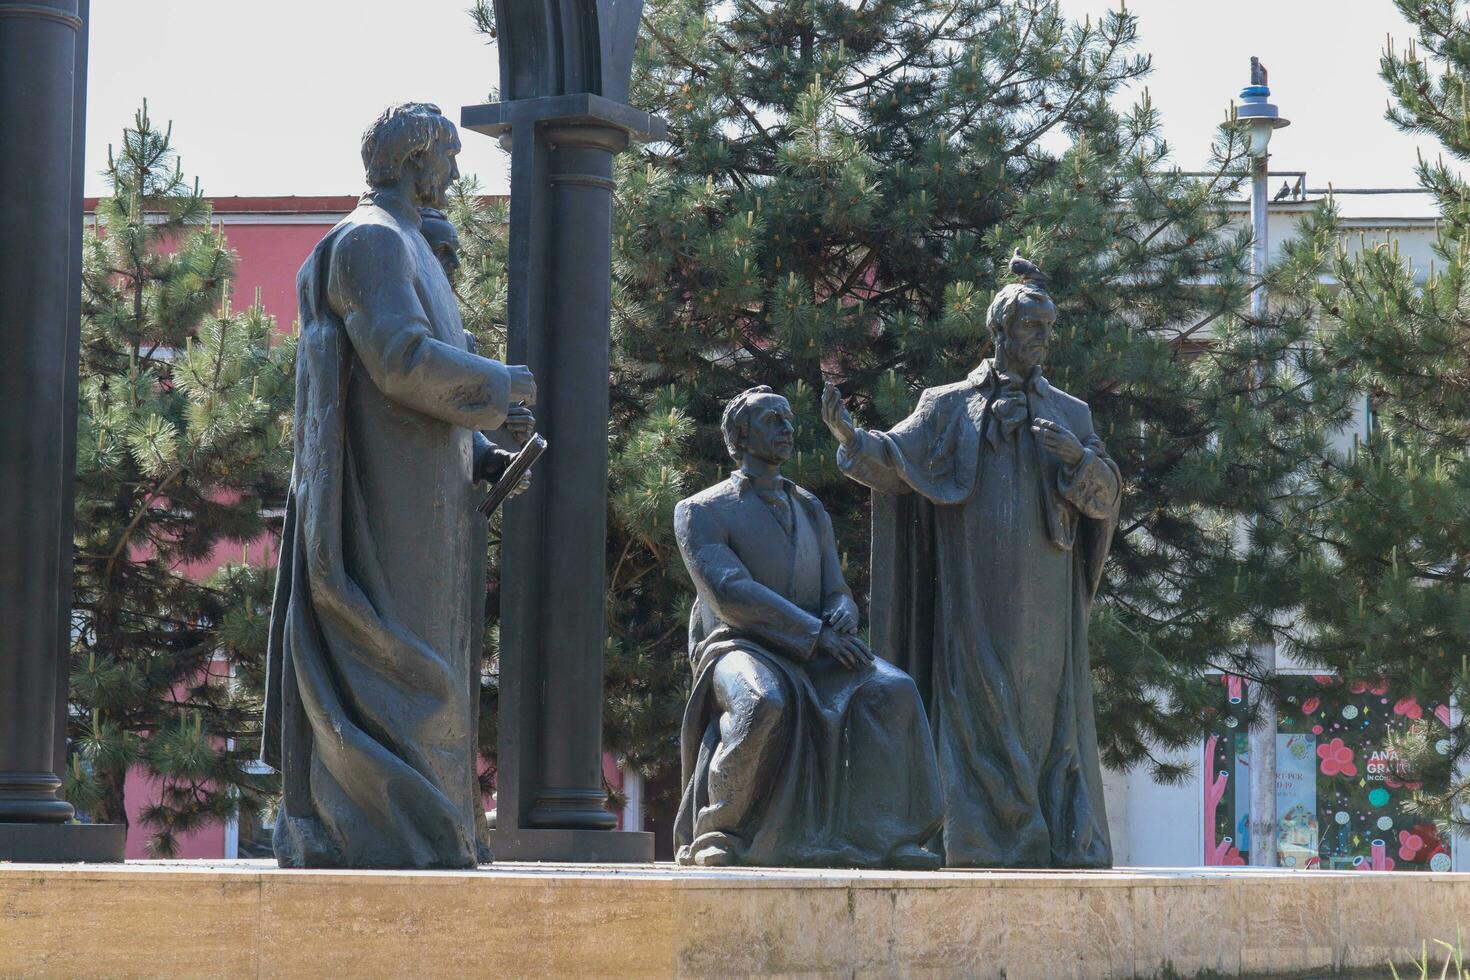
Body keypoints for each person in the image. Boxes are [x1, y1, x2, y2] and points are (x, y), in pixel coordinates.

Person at [261, 103, 536, 869]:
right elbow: (399, 359)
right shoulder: (373, 240)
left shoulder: (409, 241)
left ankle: (429, 833)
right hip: (383, 503)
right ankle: (388, 832)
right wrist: (500, 383)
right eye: (447, 159)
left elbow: (413, 393)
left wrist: (481, 449)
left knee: (429, 665)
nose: (453, 174)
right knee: (406, 667)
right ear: (417, 161)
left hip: (424, 497)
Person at [821, 257, 1121, 868]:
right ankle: (977, 837)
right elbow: (896, 460)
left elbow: (1106, 498)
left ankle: (1053, 832)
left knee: (1045, 709)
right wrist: (852, 441)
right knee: (975, 700)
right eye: (1031, 326)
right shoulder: (948, 404)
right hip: (972, 588)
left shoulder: (1072, 414)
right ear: (1000, 332)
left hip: (1045, 590)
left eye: (1048, 327)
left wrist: (1078, 462)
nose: (1042, 338)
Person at [673, 386, 943, 869]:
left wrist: (844, 611)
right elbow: (731, 593)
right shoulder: (701, 511)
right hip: (741, 644)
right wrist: (817, 633)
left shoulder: (810, 507)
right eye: (773, 419)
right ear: (740, 434)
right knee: (762, 701)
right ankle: (722, 831)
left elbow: (835, 588)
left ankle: (886, 834)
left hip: (816, 643)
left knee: (894, 689)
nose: (788, 428)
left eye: (789, 419)